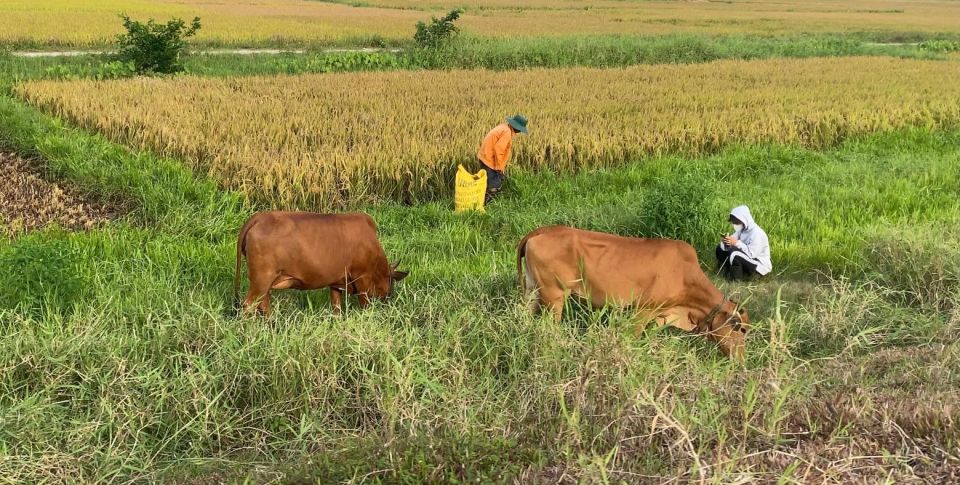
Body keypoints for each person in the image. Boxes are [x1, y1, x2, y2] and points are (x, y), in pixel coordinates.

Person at [476, 114, 528, 200]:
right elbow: (498, 150)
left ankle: (487, 203)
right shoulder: (507, 133)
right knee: (494, 186)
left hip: (486, 157)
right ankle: (488, 206)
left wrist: (501, 168)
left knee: (491, 182)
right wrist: (499, 168)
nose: (520, 131)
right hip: (489, 160)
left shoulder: (504, 127)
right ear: (517, 127)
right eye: (520, 129)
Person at [716, 205, 771, 281]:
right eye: (733, 222)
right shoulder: (742, 230)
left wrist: (736, 243)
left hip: (759, 265)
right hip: (747, 259)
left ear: (744, 220)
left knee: (735, 253)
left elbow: (752, 254)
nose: (734, 225)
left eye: (736, 222)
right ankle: (726, 272)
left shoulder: (757, 233)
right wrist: (726, 241)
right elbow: (732, 241)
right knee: (720, 248)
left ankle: (736, 280)